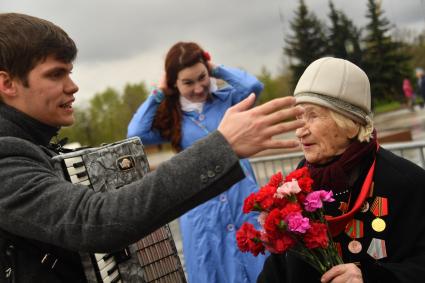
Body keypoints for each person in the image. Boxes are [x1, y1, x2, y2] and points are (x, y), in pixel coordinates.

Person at [0, 13, 306, 282]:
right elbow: (95, 221)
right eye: (56, 74)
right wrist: (222, 147)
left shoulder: (35, 145)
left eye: (70, 71)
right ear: (7, 84)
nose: (73, 85)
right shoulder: (5, 155)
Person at [257, 57, 425, 283]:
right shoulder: (299, 180)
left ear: (350, 124)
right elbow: (280, 267)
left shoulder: (405, 181)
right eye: (299, 116)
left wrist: (371, 279)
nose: (299, 131)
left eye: (313, 116)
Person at [127, 41, 266, 283]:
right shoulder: (172, 120)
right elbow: (135, 133)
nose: (199, 87)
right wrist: (159, 91)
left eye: (202, 77)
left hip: (242, 200)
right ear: (175, 84)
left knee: (262, 266)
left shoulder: (228, 101)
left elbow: (253, 86)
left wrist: (216, 69)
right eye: (188, 82)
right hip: (203, 213)